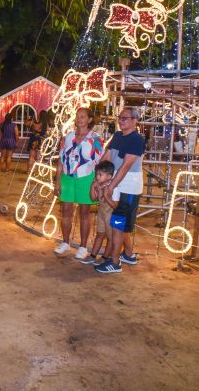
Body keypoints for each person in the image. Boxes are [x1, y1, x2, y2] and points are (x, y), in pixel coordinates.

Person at [95, 107, 146, 274]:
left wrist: (110, 186)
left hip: (128, 186)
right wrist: (96, 179)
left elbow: (125, 167)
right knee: (119, 223)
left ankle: (115, 262)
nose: (121, 120)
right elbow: (107, 156)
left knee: (118, 225)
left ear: (134, 120)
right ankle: (128, 254)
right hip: (116, 183)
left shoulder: (137, 139)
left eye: (125, 118)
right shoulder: (117, 136)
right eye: (120, 117)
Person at [53, 107, 104, 259]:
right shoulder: (68, 137)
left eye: (82, 116)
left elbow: (98, 162)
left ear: (89, 120)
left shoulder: (95, 139)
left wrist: (96, 183)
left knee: (84, 212)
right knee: (66, 211)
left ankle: (82, 246)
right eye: (77, 116)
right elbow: (61, 160)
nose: (79, 119)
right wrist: (58, 181)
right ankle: (65, 242)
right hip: (68, 177)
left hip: (86, 178)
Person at [79, 160, 116, 264]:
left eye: (100, 174)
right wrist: (92, 186)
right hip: (101, 213)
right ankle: (93, 255)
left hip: (110, 214)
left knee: (110, 237)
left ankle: (105, 257)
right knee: (100, 234)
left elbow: (114, 204)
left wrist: (104, 194)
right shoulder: (99, 185)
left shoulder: (111, 186)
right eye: (97, 175)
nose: (97, 177)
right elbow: (93, 199)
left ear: (109, 176)